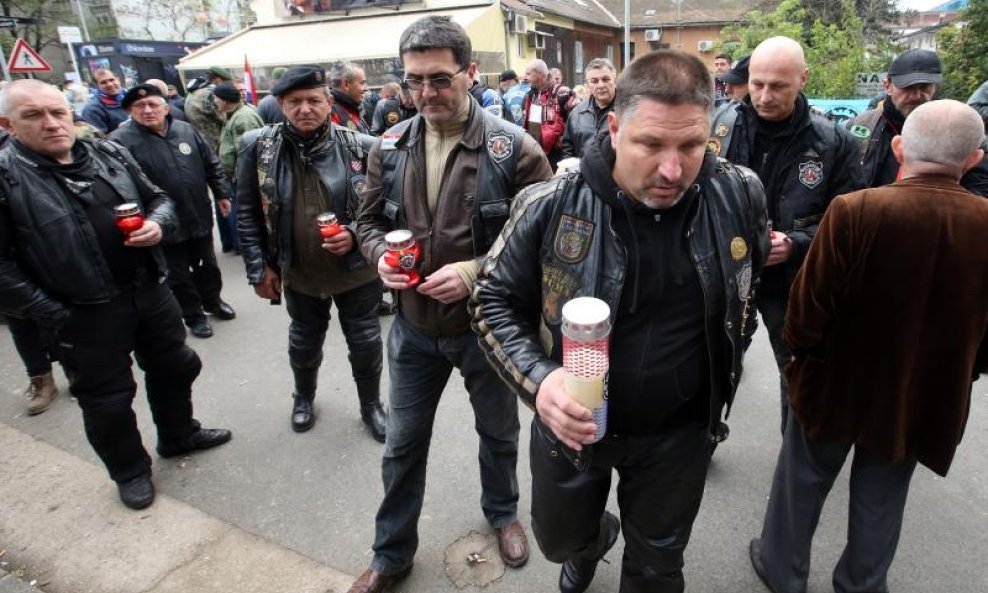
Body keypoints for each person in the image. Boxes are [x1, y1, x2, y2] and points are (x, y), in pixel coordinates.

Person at [471, 49, 769, 593]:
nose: (672, 170)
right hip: (575, 422)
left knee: (658, 566)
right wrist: (540, 382)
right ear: (613, 128)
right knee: (561, 540)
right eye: (650, 144)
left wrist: (720, 383)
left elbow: (745, 294)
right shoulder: (550, 203)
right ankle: (591, 543)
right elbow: (491, 299)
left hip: (679, 431)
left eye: (691, 146)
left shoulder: (740, 191)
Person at [749, 99, 988, 593]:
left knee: (803, 481)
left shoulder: (857, 210)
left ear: (899, 148)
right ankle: (862, 583)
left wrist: (798, 359)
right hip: (923, 390)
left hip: (835, 379)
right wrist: (963, 372)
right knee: (883, 493)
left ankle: (782, 570)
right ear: (974, 159)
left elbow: (807, 307)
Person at [349, 15, 553, 593]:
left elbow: (548, 243)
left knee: (498, 433)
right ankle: (391, 555)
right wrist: (379, 259)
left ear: (469, 72)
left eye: (439, 78)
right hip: (413, 329)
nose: (426, 92)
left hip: (487, 330)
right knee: (402, 446)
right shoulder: (389, 146)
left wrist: (473, 271)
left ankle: (503, 514)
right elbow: (367, 223)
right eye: (414, 80)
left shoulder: (514, 149)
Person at [0, 80, 231, 510]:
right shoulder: (7, 176)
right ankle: (130, 472)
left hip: (148, 289)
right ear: (8, 124)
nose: (52, 123)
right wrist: (53, 313)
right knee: (106, 400)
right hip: (82, 311)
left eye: (58, 112)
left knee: (177, 366)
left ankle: (179, 435)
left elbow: (159, 198)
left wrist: (158, 224)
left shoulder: (107, 153)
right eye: (34, 115)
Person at [709, 36, 864, 435]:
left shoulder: (834, 142)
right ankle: (699, 442)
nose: (764, 96)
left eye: (778, 86)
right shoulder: (717, 127)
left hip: (792, 278)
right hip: (724, 272)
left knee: (798, 373)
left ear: (803, 78)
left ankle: (796, 459)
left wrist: (797, 243)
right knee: (708, 363)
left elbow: (849, 218)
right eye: (757, 83)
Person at [236, 65, 388, 442]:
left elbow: (387, 209)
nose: (305, 109)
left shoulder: (362, 146)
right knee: (304, 342)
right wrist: (258, 268)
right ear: (281, 104)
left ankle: (371, 405)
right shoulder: (258, 147)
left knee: (366, 342)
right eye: (295, 102)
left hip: (356, 272)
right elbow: (247, 212)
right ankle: (303, 398)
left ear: (328, 100)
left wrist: (355, 234)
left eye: (313, 100)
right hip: (299, 271)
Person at [109, 84, 236, 339]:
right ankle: (194, 315)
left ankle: (213, 301)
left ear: (166, 108)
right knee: (178, 274)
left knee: (207, 265)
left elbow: (211, 163)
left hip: (198, 213)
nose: (148, 110)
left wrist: (222, 193)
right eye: (140, 106)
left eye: (153, 104)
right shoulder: (120, 142)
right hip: (161, 222)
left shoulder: (185, 130)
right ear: (130, 111)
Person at [847, 49, 988, 196]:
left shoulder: (960, 129)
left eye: (924, 87)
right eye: (907, 87)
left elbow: (980, 191)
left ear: (935, 87)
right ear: (887, 85)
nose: (916, 95)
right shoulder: (858, 128)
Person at [185, 66, 236, 253]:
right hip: (218, 149)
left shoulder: (192, 94)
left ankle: (227, 241)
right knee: (228, 197)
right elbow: (224, 117)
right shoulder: (209, 95)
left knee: (220, 196)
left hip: (204, 151)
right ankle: (236, 241)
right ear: (219, 80)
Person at [560, 57, 616, 159]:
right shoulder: (577, 113)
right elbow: (567, 148)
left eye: (605, 79)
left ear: (615, 81)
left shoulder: (628, 110)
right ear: (587, 85)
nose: (600, 85)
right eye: (594, 81)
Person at [523, 59, 569, 168]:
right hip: (536, 154)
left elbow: (579, 120)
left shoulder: (562, 93)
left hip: (558, 155)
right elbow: (527, 124)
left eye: (528, 74)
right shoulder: (530, 95)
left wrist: (565, 138)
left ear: (540, 74)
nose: (525, 77)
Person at [82, 68, 128, 135]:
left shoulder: (134, 98)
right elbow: (100, 138)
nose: (110, 84)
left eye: (111, 80)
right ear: (97, 85)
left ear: (118, 80)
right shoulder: (92, 110)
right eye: (103, 82)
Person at [329, 61, 370, 133]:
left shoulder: (352, 107)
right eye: (362, 83)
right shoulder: (331, 113)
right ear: (346, 84)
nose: (366, 89)